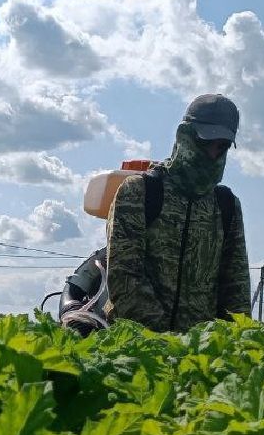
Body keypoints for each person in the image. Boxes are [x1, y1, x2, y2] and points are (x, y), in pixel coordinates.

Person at [105, 93, 250, 333]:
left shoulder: (226, 205)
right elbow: (125, 278)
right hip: (137, 348)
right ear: (184, 136)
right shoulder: (139, 192)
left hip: (199, 356)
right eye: (205, 142)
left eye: (222, 146)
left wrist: (230, 347)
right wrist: (167, 341)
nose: (213, 153)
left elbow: (237, 290)